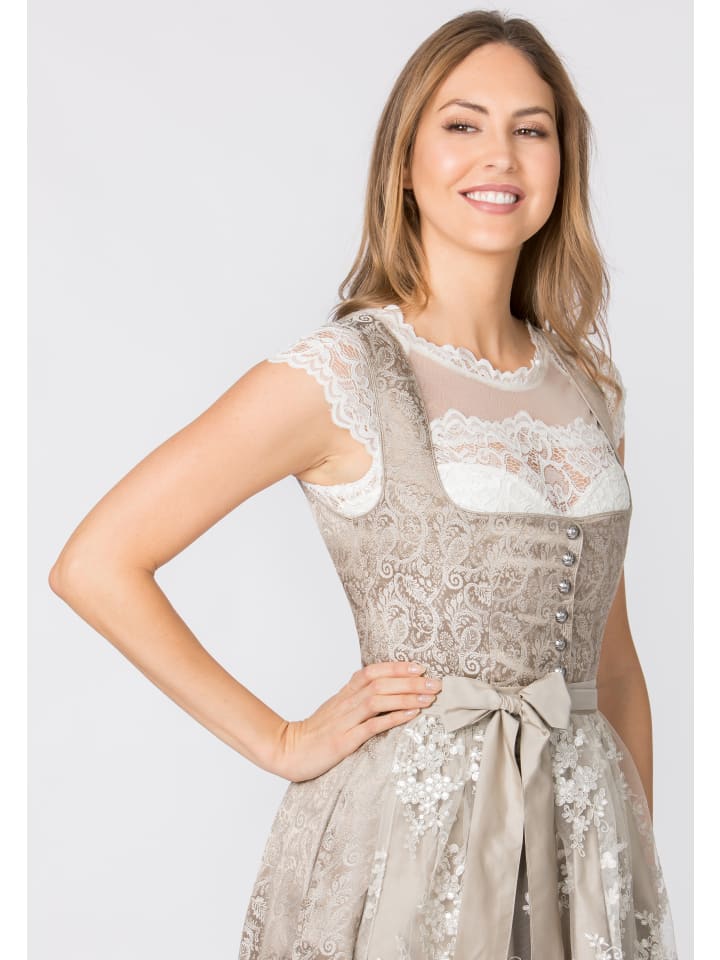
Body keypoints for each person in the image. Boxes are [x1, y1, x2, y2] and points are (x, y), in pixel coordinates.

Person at [49, 10, 679, 960]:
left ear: (563, 163)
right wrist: (280, 740)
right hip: (411, 856)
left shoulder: (589, 390)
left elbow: (614, 666)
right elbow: (96, 564)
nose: (500, 155)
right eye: (462, 124)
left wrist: (628, 875)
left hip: (581, 857)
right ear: (405, 164)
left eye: (532, 128)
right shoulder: (344, 373)